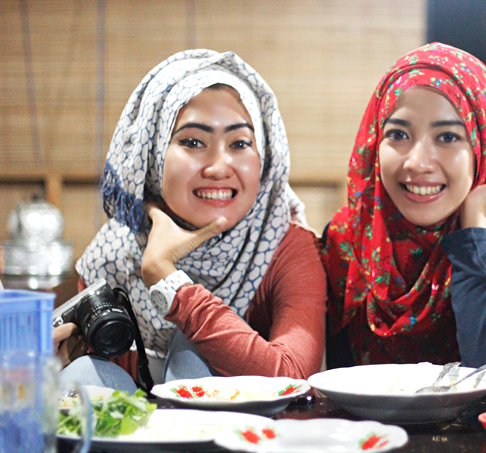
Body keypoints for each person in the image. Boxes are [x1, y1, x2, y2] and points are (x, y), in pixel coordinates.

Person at [54, 49, 327, 393]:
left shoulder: (285, 245)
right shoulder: (113, 256)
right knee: (83, 378)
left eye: (240, 143)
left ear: (263, 158)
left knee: (191, 355)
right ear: (153, 156)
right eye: (193, 142)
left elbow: (293, 377)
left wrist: (167, 280)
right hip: (135, 426)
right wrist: (46, 367)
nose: (218, 167)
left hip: (247, 427)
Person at [322, 42, 486, 383]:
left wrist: (474, 223)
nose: (417, 162)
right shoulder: (346, 243)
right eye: (398, 134)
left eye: (447, 137)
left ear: (484, 146)